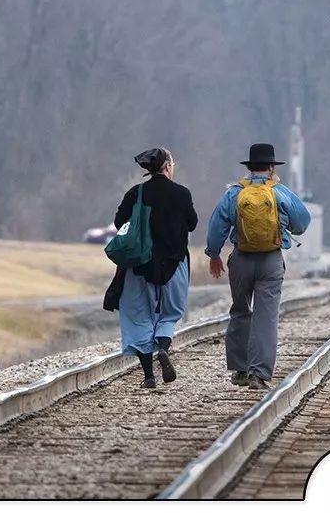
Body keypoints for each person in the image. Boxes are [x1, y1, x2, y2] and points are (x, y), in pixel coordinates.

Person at [205, 143, 311, 390]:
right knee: (266, 317)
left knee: (241, 310)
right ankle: (259, 374)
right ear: (272, 168)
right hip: (271, 261)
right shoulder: (280, 192)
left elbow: (216, 226)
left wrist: (214, 254)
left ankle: (240, 370)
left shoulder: (234, 194)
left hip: (241, 258)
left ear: (249, 167)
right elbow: (303, 222)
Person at [104, 148, 198, 388]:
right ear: (167, 166)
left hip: (139, 265)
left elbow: (118, 222)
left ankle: (148, 376)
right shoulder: (181, 193)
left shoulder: (136, 193)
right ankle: (163, 349)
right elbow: (193, 223)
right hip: (174, 264)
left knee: (140, 318)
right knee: (169, 314)